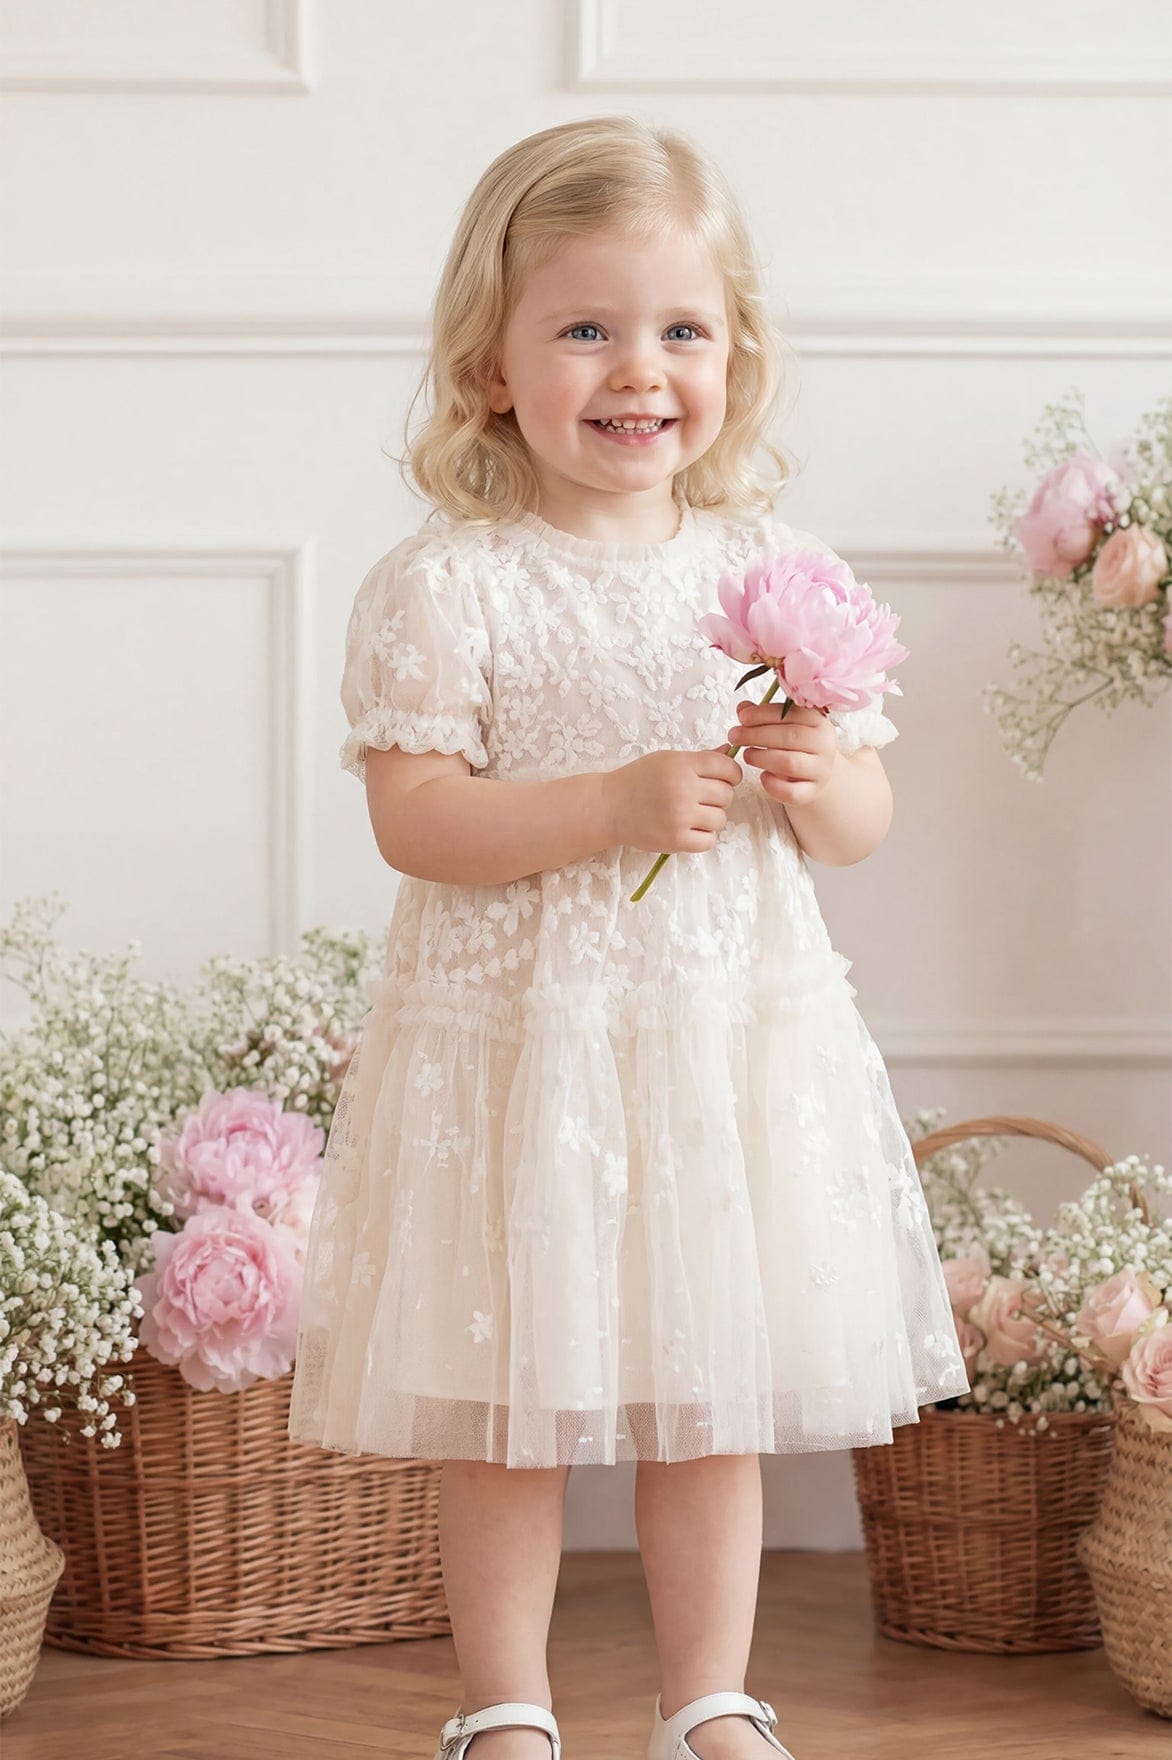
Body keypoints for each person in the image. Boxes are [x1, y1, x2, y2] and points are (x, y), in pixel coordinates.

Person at [287, 115, 969, 1760]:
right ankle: (504, 1706)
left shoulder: (771, 575)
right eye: (586, 328)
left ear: (737, 353)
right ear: (492, 364)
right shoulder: (451, 584)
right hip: (525, 1049)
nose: (640, 370)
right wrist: (606, 804)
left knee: (705, 1392)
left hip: (713, 1044)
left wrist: (820, 776)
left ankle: (707, 1696)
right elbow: (416, 819)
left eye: (682, 330)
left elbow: (861, 819)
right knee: (505, 1412)